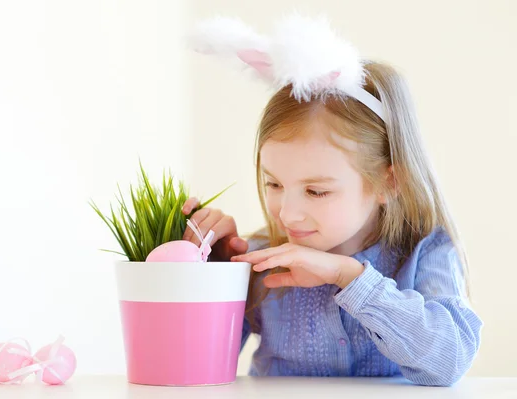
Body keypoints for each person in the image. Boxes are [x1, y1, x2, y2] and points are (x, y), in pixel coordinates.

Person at [181, 13, 483, 386]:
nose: (286, 213)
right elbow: (194, 372)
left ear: (389, 183)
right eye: (273, 184)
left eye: (316, 190)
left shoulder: (425, 252)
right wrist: (214, 272)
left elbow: (450, 359)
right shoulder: (263, 259)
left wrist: (348, 276)